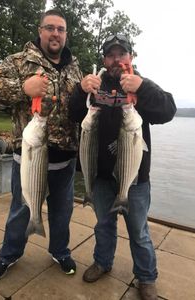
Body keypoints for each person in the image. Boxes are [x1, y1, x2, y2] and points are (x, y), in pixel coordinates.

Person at [68, 34, 176, 300]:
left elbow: (168, 110)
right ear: (104, 59)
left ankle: (146, 277)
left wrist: (142, 87)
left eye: (122, 54)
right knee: (103, 225)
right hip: (102, 175)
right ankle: (102, 262)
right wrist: (81, 90)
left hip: (134, 176)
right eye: (111, 54)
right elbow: (74, 114)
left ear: (131, 57)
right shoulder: (95, 84)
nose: (117, 59)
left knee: (138, 231)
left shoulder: (141, 86)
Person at [0, 9, 90, 281]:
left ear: (66, 34)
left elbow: (79, 107)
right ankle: (9, 254)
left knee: (62, 211)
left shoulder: (74, 67)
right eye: (50, 28)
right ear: (40, 30)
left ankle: (60, 250)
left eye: (61, 29)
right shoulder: (18, 61)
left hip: (65, 159)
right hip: (29, 156)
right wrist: (23, 88)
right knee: (21, 209)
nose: (56, 33)